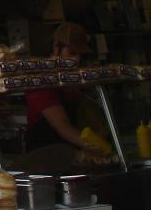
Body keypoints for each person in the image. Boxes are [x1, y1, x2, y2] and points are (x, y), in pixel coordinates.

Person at [24, 22, 106, 157]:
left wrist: (100, 134)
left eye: (81, 54)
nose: (77, 59)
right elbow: (62, 126)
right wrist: (96, 146)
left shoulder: (72, 79)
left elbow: (89, 115)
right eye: (72, 52)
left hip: (68, 152)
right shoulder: (41, 80)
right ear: (56, 47)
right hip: (42, 157)